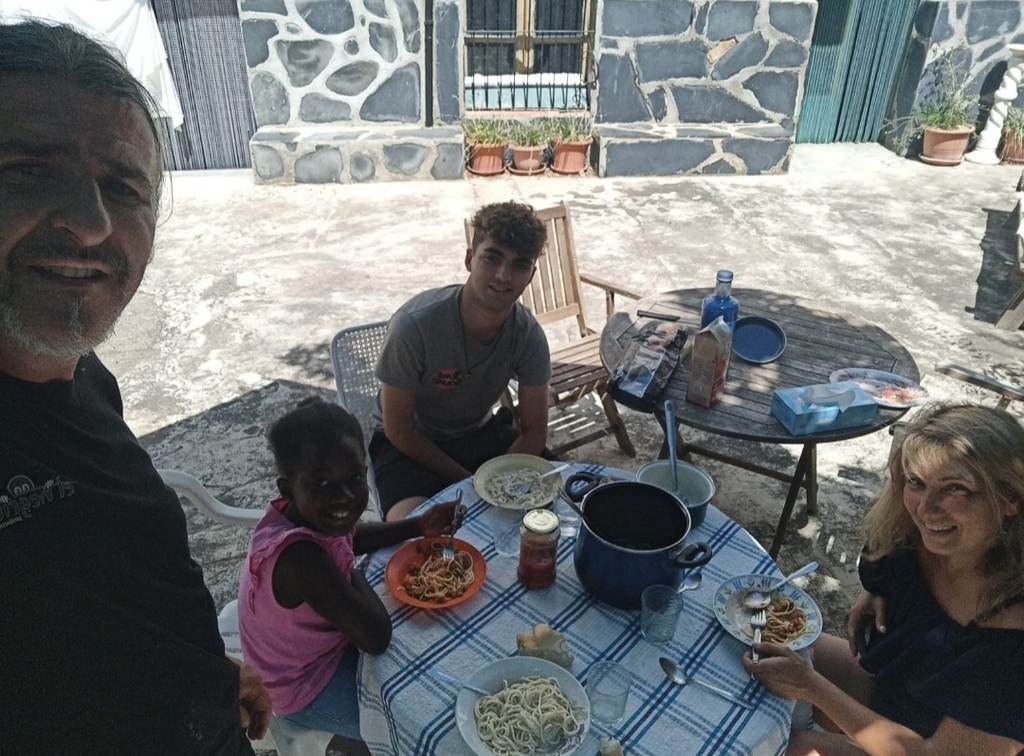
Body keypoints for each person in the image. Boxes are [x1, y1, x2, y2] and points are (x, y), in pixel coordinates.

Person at [0, 20, 272, 753]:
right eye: (27, 168)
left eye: (121, 187)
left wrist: (201, 672)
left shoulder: (84, 376)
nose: (90, 225)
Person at [744, 403, 1024, 756]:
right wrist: (875, 590)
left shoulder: (1013, 644)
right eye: (917, 483)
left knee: (779, 747)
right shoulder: (916, 537)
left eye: (956, 488)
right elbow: (886, 556)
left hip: (927, 748)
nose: (926, 508)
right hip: (891, 692)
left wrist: (811, 687)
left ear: (1011, 499)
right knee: (755, 641)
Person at [237, 397, 463, 737]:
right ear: (288, 489)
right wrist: (347, 570)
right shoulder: (302, 560)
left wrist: (417, 526)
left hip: (314, 648)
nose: (343, 496)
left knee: (431, 653)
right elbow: (376, 635)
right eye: (321, 484)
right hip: (302, 687)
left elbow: (349, 537)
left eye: (355, 477)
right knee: (414, 722)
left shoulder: (305, 517)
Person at [371, 200, 552, 521]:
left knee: (554, 511)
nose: (502, 275)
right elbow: (397, 428)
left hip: (480, 436)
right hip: (409, 446)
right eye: (492, 258)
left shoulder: (528, 334)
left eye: (519, 265)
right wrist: (469, 482)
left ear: (532, 275)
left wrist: (499, 482)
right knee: (410, 534)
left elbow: (535, 432)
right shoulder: (414, 325)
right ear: (470, 259)